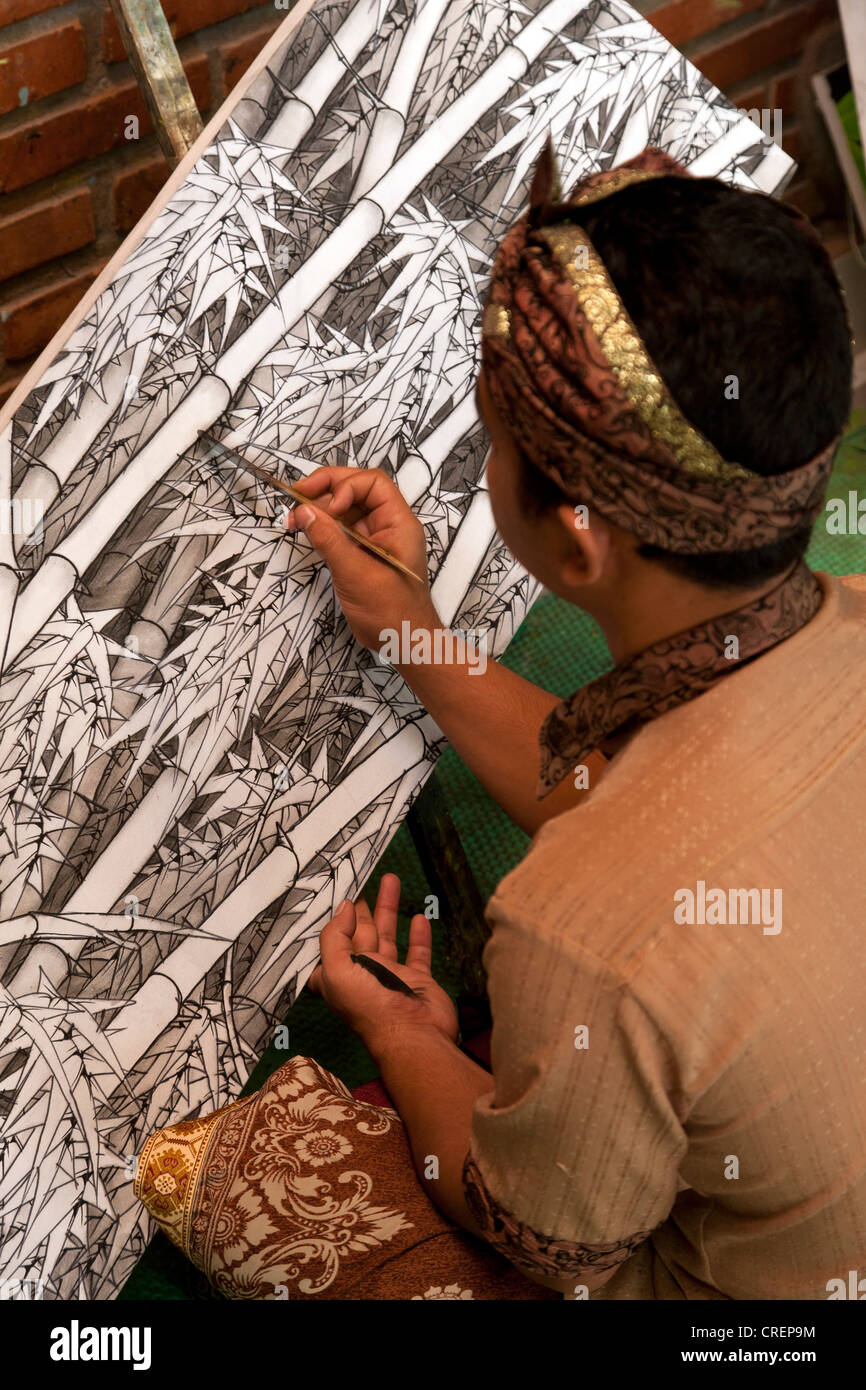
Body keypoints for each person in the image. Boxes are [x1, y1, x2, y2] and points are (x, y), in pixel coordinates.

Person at [282, 143, 865, 1299]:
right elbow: (650, 807)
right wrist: (413, 633)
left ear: (578, 534)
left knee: (246, 1169)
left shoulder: (577, 929)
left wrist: (409, 1043)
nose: (487, 465)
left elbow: (543, 1234)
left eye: (495, 442)